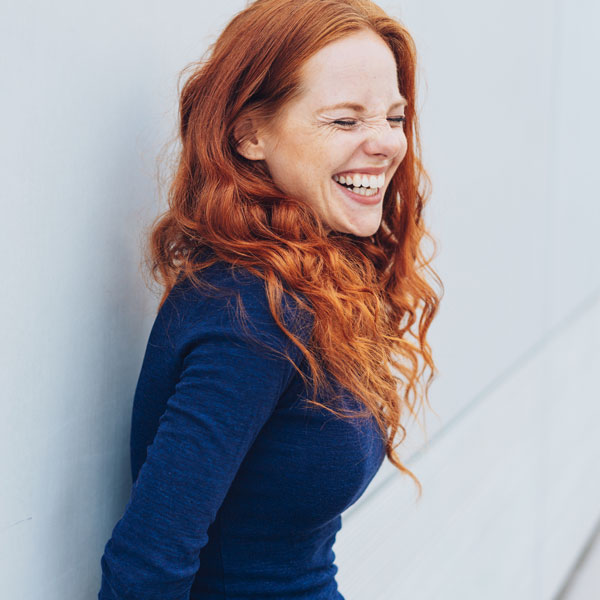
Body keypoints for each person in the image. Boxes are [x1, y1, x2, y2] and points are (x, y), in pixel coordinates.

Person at [98, 0, 441, 598]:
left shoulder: (313, 281)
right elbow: (146, 564)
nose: (387, 144)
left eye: (394, 117)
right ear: (250, 134)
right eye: (344, 120)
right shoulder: (252, 311)